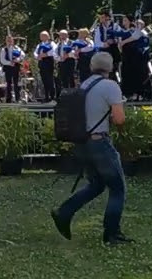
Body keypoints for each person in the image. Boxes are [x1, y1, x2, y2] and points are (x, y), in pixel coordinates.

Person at [50, 52, 131, 246]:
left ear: (92, 67)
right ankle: (111, 234)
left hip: (82, 142)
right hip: (99, 143)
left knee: (96, 185)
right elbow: (119, 119)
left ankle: (64, 212)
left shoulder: (85, 85)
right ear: (110, 68)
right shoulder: (110, 86)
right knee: (117, 188)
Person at [0, 36, 24, 103]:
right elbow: (2, 60)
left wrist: (17, 60)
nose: (9, 42)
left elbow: (22, 55)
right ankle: (8, 99)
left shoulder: (17, 48)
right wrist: (9, 63)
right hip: (8, 68)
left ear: (13, 41)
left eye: (10, 41)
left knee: (16, 83)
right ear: (6, 41)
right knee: (8, 83)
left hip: (16, 67)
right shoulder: (4, 49)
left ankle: (17, 98)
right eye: (8, 41)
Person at [34, 31, 56, 102]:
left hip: (48, 61)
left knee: (50, 79)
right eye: (41, 36)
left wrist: (46, 54)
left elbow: (54, 51)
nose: (42, 37)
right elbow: (35, 52)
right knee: (44, 80)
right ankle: (46, 96)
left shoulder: (52, 43)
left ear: (48, 36)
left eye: (44, 36)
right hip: (41, 62)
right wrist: (37, 56)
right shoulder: (39, 44)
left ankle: (52, 96)